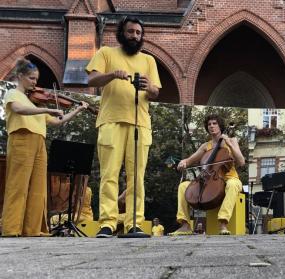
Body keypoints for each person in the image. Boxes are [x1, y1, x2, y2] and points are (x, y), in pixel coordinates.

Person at [86, 16, 161, 238]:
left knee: (137, 177)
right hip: (111, 121)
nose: (134, 36)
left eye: (138, 33)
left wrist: (149, 87)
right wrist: (111, 75)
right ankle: (107, 224)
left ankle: (134, 224)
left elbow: (156, 92)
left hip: (141, 123)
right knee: (109, 174)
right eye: (131, 32)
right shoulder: (106, 53)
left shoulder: (149, 61)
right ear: (122, 33)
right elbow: (92, 81)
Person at [1, 58, 88, 237]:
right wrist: (47, 110)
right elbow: (19, 110)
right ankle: (11, 228)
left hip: (39, 142)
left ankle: (32, 229)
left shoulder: (36, 102)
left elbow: (58, 121)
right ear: (20, 76)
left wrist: (77, 110)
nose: (35, 82)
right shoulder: (13, 94)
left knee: (38, 188)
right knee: (18, 186)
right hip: (21, 139)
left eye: (36, 79)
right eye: (32, 78)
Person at [177, 115, 245, 235]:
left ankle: (223, 223)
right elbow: (190, 160)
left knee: (233, 184)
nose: (212, 126)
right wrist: (183, 162)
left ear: (220, 126)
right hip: (209, 179)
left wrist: (229, 143)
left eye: (215, 123)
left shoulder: (231, 141)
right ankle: (185, 225)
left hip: (230, 178)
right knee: (183, 186)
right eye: (209, 124)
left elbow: (241, 161)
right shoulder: (206, 146)